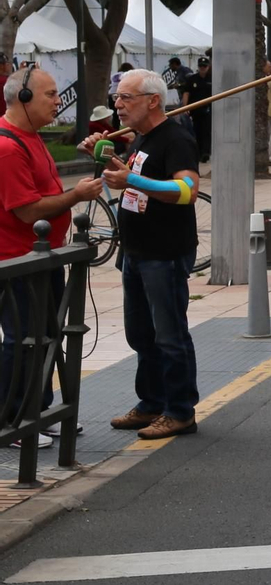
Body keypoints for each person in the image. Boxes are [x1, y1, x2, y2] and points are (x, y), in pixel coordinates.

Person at [85, 70, 202, 440]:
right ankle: (151, 402)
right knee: (141, 334)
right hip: (135, 251)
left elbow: (187, 191)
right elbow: (125, 178)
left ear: (153, 100)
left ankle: (180, 411)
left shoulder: (176, 139)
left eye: (126, 97)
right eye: (117, 97)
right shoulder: (140, 140)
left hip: (163, 253)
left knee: (169, 335)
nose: (117, 105)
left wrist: (132, 180)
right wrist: (104, 159)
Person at [0, 68, 103, 447]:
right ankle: (12, 419)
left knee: (45, 337)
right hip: (18, 261)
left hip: (44, 259)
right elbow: (27, 211)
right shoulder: (9, 147)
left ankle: (38, 411)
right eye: (50, 94)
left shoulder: (30, 138)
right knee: (24, 338)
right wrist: (77, 195)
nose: (57, 101)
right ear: (23, 98)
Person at [188, 56, 214, 161]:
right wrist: (185, 108)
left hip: (208, 110)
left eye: (205, 66)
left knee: (207, 132)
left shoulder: (212, 79)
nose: (203, 68)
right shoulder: (192, 79)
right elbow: (187, 93)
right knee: (197, 131)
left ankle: (205, 153)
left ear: (208, 67)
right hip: (196, 111)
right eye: (201, 66)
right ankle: (198, 152)